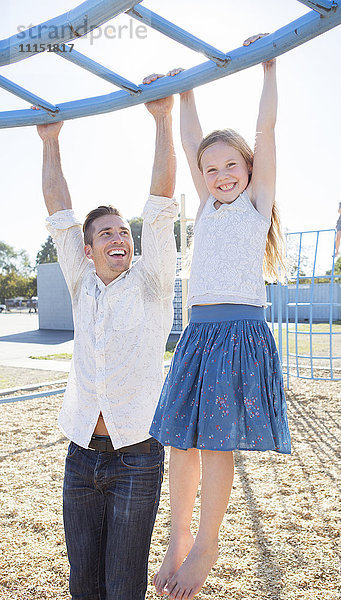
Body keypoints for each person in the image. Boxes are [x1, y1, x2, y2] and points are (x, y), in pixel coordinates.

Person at [149, 34, 291, 600]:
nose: (220, 175)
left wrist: (268, 67)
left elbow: (266, 132)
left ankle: (208, 543)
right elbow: (190, 143)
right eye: (211, 170)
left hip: (238, 334)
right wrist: (185, 93)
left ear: (249, 170)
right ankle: (178, 534)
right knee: (179, 441)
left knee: (214, 444)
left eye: (231, 166)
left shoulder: (257, 202)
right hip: (199, 333)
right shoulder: (206, 203)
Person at [36, 75, 178, 600]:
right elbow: (60, 215)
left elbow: (161, 200)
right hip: (81, 452)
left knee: (122, 584)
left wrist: (163, 118)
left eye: (124, 231)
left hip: (137, 454)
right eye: (106, 233)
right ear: (89, 250)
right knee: (82, 584)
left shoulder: (153, 281)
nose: (118, 237)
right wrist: (51, 140)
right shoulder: (81, 283)